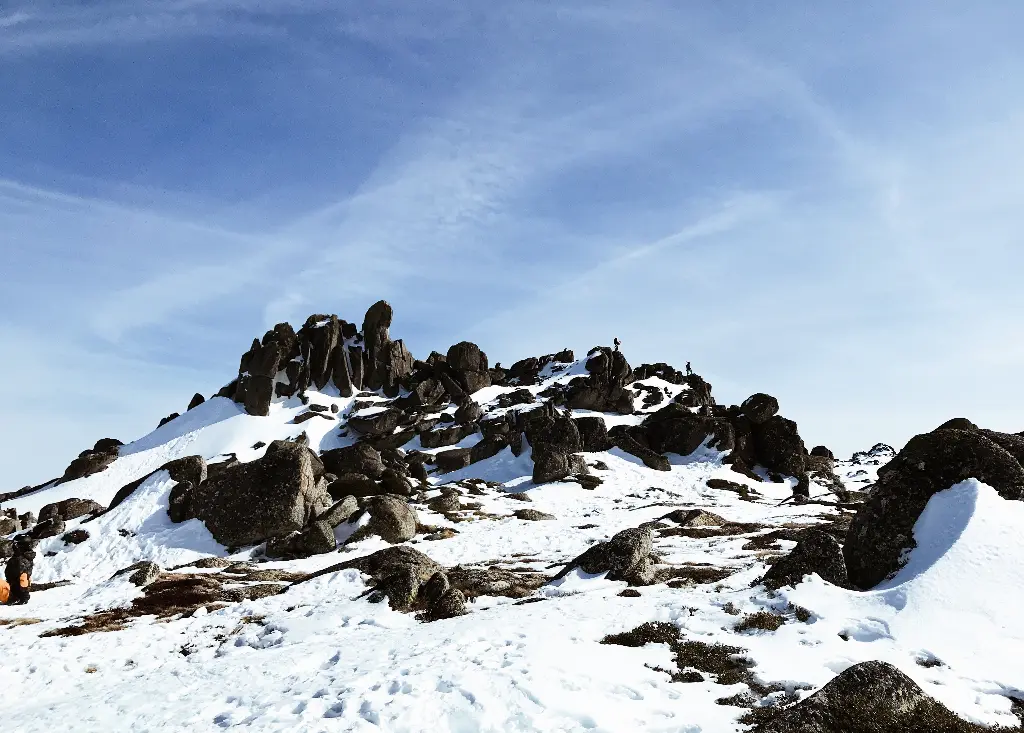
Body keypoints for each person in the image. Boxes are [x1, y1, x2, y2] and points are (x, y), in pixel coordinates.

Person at [4, 535, 34, 605]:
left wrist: (23, 595)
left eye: (16, 544)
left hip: (12, 593)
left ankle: (17, 597)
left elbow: (21, 576)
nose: (14, 546)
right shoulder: (26, 557)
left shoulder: (19, 559)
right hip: (16, 590)